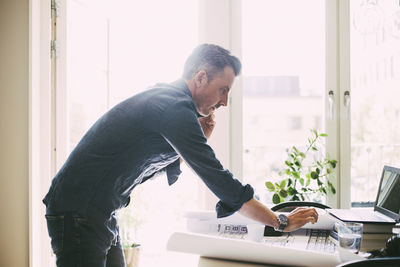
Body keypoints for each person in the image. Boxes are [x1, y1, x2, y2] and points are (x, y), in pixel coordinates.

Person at [43, 44, 319, 267]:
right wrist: (279, 221)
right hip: (78, 211)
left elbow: (149, 163)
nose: (225, 101)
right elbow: (217, 177)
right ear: (200, 77)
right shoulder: (173, 107)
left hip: (99, 210)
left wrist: (197, 140)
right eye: (223, 90)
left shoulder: (171, 101)